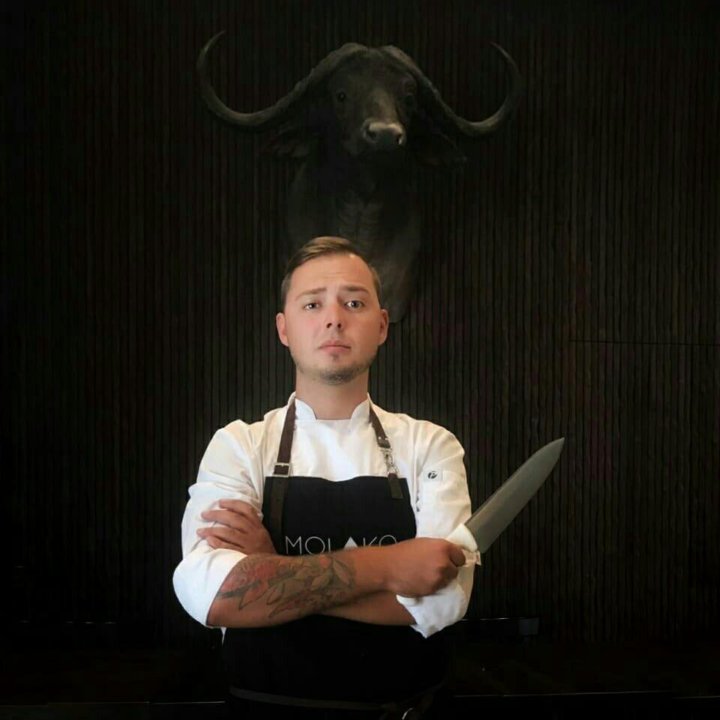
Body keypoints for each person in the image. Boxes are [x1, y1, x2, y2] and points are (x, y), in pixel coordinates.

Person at [173, 237, 473, 718]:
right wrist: (390, 568)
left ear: (381, 326)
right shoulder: (240, 445)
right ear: (284, 328)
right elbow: (213, 593)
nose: (334, 318)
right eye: (312, 304)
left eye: (353, 303)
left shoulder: (430, 445)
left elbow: (443, 602)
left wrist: (271, 567)